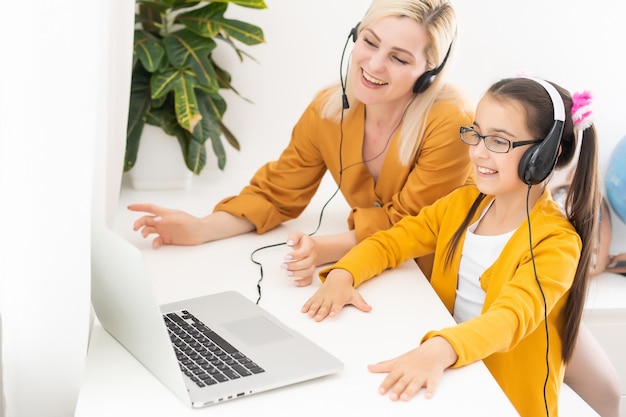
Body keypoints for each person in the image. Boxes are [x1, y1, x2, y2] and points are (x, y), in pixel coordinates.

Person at [301, 76, 600, 417]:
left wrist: (439, 349)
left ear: (545, 155)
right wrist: (344, 273)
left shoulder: (557, 243)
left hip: (502, 399)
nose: (478, 152)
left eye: (499, 141)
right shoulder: (464, 203)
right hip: (451, 376)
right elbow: (393, 241)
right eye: (476, 134)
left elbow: (510, 319)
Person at [128, 0, 474, 283]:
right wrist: (203, 228)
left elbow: (412, 225)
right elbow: (278, 191)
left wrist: (325, 248)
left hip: (432, 275)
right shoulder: (329, 109)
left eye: (399, 58)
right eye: (369, 42)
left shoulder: (451, 121)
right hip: (374, 272)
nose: (375, 64)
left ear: (429, 73)